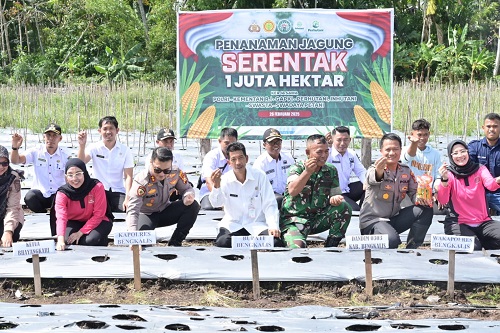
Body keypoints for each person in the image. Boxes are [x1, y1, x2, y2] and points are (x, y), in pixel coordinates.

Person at [360, 133, 433, 249]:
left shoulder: (405, 171)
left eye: (395, 149)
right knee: (392, 241)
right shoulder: (374, 169)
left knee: (425, 210)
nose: (392, 153)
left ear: (400, 150)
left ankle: (412, 248)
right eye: (388, 149)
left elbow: (414, 193)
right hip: (373, 221)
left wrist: (422, 198)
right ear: (381, 151)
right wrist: (379, 171)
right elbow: (373, 178)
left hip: (393, 219)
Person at [280, 134, 352, 248]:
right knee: (298, 249)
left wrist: (335, 199)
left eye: (326, 151)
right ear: (308, 152)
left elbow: (336, 194)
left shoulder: (330, 170)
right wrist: (307, 172)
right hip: (294, 221)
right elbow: (293, 191)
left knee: (344, 207)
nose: (324, 156)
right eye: (319, 152)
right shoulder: (297, 168)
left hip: (316, 220)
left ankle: (330, 248)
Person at [209, 142, 283, 247]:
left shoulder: (259, 176)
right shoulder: (225, 179)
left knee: (275, 243)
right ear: (229, 162)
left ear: (247, 158)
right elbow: (216, 204)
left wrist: (273, 226)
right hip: (233, 225)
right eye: (233, 159)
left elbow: (269, 203)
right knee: (223, 242)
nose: (238, 163)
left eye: (241, 158)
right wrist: (216, 186)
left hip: (256, 225)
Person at [126, 147, 200, 246]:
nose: (162, 174)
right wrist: (133, 237)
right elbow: (133, 210)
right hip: (146, 215)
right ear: (151, 162)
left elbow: (187, 188)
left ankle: (175, 242)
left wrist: (188, 196)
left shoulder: (176, 172)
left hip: (165, 210)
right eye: (157, 170)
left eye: (166, 171)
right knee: (142, 243)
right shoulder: (141, 180)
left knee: (193, 206)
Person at [437, 140, 500, 250]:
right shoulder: (449, 174)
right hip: (458, 223)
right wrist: (444, 180)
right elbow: (443, 200)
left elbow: (491, 185)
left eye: (463, 151)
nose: (460, 155)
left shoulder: (480, 169)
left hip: (483, 222)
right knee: (473, 247)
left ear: (468, 152)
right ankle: (478, 243)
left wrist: (498, 180)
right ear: (450, 156)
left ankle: (483, 242)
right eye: (455, 153)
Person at [51, 158, 113, 251]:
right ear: (66, 177)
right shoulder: (62, 193)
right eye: (70, 175)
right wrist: (60, 240)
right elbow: (61, 217)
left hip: (98, 221)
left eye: (78, 174)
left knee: (90, 241)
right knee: (68, 240)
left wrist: (80, 233)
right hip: (74, 221)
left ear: (85, 172)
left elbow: (99, 214)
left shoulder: (96, 186)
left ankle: (102, 240)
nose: (75, 179)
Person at [78, 116, 134, 212]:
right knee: (94, 212)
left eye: (111, 128)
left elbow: (128, 176)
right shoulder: (94, 147)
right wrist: (82, 146)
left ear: (117, 130)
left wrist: (128, 198)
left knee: (127, 210)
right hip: (98, 191)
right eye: (105, 129)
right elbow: (80, 163)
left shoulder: (125, 150)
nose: (108, 132)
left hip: (118, 190)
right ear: (99, 131)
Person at [10, 123, 71, 212]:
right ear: (44, 137)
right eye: (48, 135)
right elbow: (16, 161)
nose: (51, 138)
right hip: (41, 194)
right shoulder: (36, 151)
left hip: (58, 195)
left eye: (54, 136)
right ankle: (42, 214)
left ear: (60, 138)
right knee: (30, 197)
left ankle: (55, 214)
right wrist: (15, 147)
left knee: (66, 201)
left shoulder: (65, 155)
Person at [403, 119, 443, 213]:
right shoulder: (406, 150)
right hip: (410, 192)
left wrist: (437, 192)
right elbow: (409, 157)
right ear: (412, 134)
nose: (422, 138)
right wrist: (414, 143)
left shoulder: (435, 154)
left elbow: (438, 176)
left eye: (425, 135)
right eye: (419, 135)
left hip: (428, 193)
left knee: (443, 210)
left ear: (429, 134)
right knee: (414, 211)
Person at [325, 126, 366, 211]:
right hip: (334, 194)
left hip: (347, 190)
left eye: (345, 139)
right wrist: (327, 146)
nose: (342, 143)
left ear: (350, 140)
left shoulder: (352, 154)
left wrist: (366, 183)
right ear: (332, 140)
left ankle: (365, 210)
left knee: (371, 184)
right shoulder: (327, 153)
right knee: (355, 210)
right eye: (339, 140)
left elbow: (361, 171)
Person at [253, 128, 295, 209]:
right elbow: (257, 189)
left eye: (278, 142)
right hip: (269, 200)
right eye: (272, 142)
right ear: (264, 145)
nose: (276, 145)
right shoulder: (260, 163)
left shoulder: (288, 157)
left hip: (289, 198)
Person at [198, 127, 238, 210]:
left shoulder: (239, 156)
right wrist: (219, 199)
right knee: (210, 208)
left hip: (232, 193)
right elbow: (209, 182)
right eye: (226, 143)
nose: (230, 146)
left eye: (233, 143)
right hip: (210, 192)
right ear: (220, 141)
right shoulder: (211, 156)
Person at [468, 113, 500, 213]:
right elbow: (467, 169)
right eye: (488, 126)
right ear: (483, 127)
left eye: (495, 126)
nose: (491, 129)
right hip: (478, 191)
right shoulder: (474, 147)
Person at [0, 146, 24, 247]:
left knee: (9, 238)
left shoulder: (13, 177)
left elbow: (13, 207)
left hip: (6, 214)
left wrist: (8, 231)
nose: (1, 167)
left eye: (4, 163)